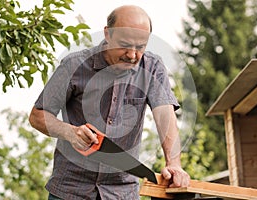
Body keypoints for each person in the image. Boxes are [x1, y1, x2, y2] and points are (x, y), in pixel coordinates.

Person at [29, 5, 190, 200]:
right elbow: (37, 116)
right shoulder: (74, 65)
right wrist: (70, 132)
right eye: (125, 44)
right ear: (107, 34)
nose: (132, 55)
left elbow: (165, 115)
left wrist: (173, 163)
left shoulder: (153, 67)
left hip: (122, 192)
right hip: (70, 189)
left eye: (140, 47)